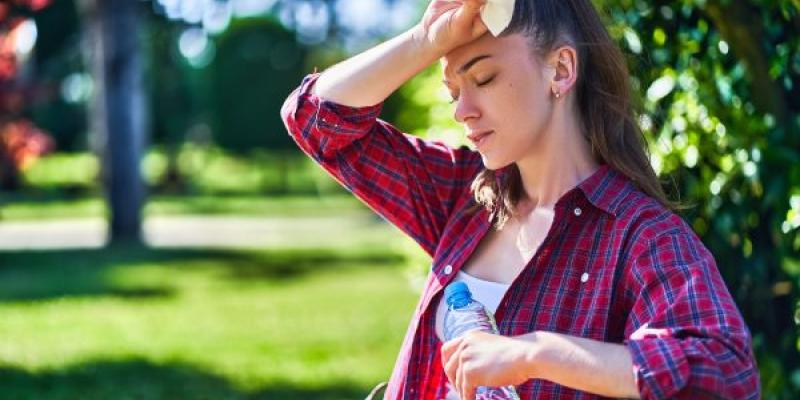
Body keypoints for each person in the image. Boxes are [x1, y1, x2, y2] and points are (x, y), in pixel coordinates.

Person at [280, 0, 761, 398]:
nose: (463, 112)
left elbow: (725, 372)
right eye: (452, 92)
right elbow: (316, 120)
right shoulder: (463, 197)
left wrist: (534, 352)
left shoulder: (640, 237)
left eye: (484, 78)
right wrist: (425, 41)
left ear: (561, 68)